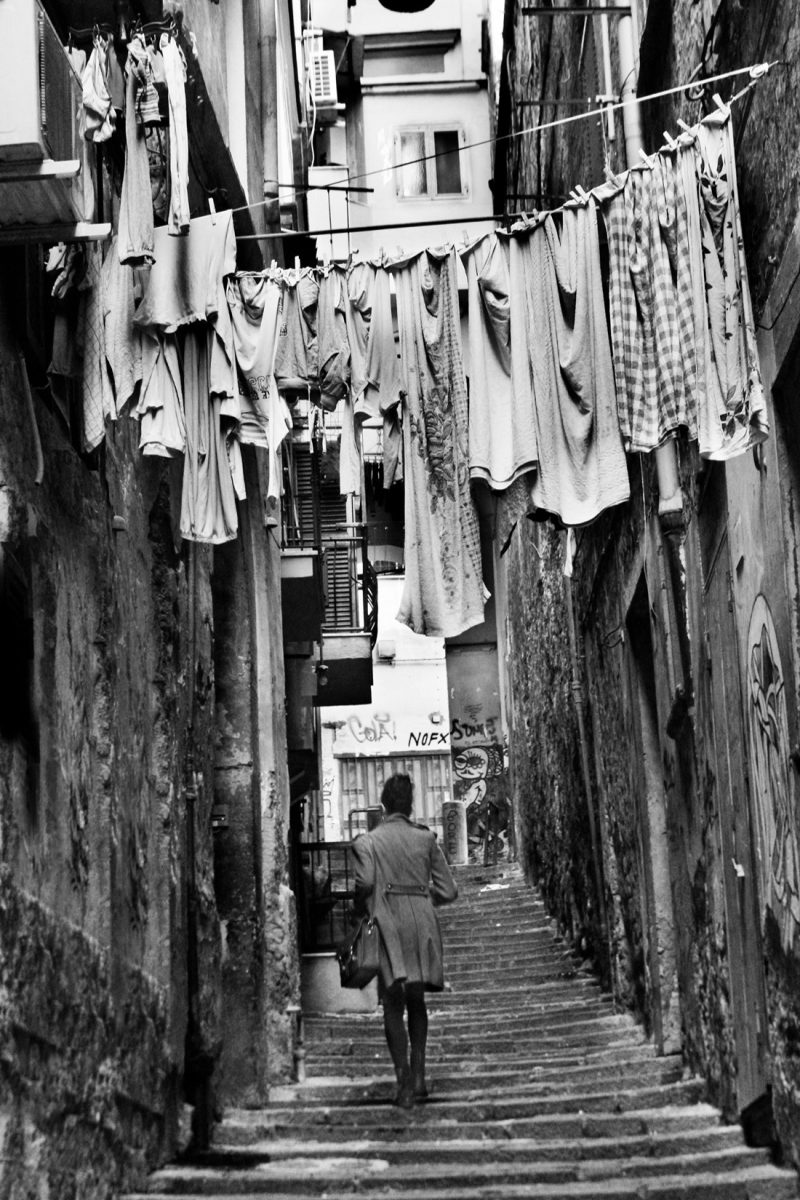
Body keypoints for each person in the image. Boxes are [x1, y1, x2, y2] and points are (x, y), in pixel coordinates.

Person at [351, 773, 458, 1108]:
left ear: (383, 806)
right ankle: (421, 1075)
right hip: (422, 922)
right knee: (416, 1000)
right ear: (410, 806)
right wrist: (423, 900)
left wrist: (360, 908)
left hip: (388, 923)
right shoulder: (426, 839)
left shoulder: (367, 842)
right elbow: (449, 890)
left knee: (393, 1004)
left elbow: (365, 883)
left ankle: (404, 1083)